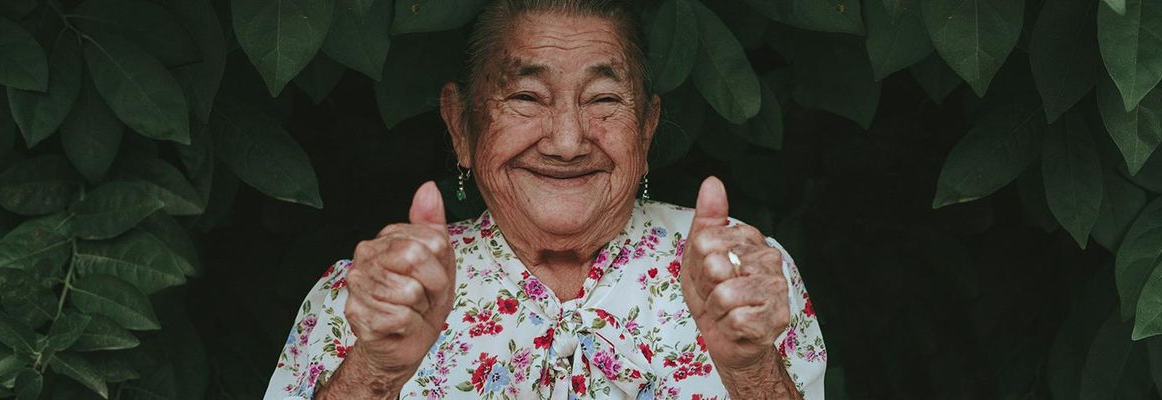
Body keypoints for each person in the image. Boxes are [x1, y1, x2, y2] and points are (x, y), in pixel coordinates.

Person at [264, 1, 826, 398]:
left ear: (647, 128)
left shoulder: (741, 276)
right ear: (461, 125)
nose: (566, 140)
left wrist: (751, 373)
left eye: (604, 98)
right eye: (527, 97)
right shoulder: (371, 295)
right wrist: (375, 372)